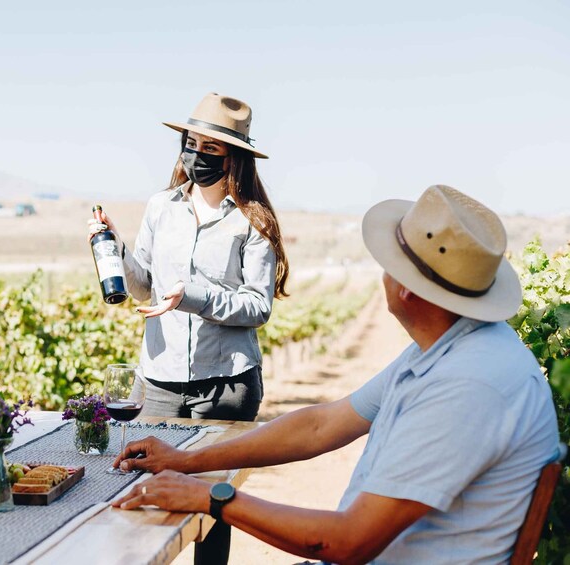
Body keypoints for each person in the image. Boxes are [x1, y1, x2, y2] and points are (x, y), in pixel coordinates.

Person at [111, 185, 560, 564]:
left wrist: (211, 499)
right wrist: (187, 461)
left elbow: (347, 541)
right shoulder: (454, 349)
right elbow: (320, 425)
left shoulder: (468, 384)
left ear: (404, 287)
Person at [89, 92, 289, 563]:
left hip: (225, 386)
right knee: (144, 499)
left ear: (232, 159)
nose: (195, 155)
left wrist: (192, 294)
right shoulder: (161, 207)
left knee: (212, 510)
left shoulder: (252, 221)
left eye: (209, 148)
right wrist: (114, 249)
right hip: (157, 383)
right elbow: (142, 287)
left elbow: (257, 306)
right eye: (190, 142)